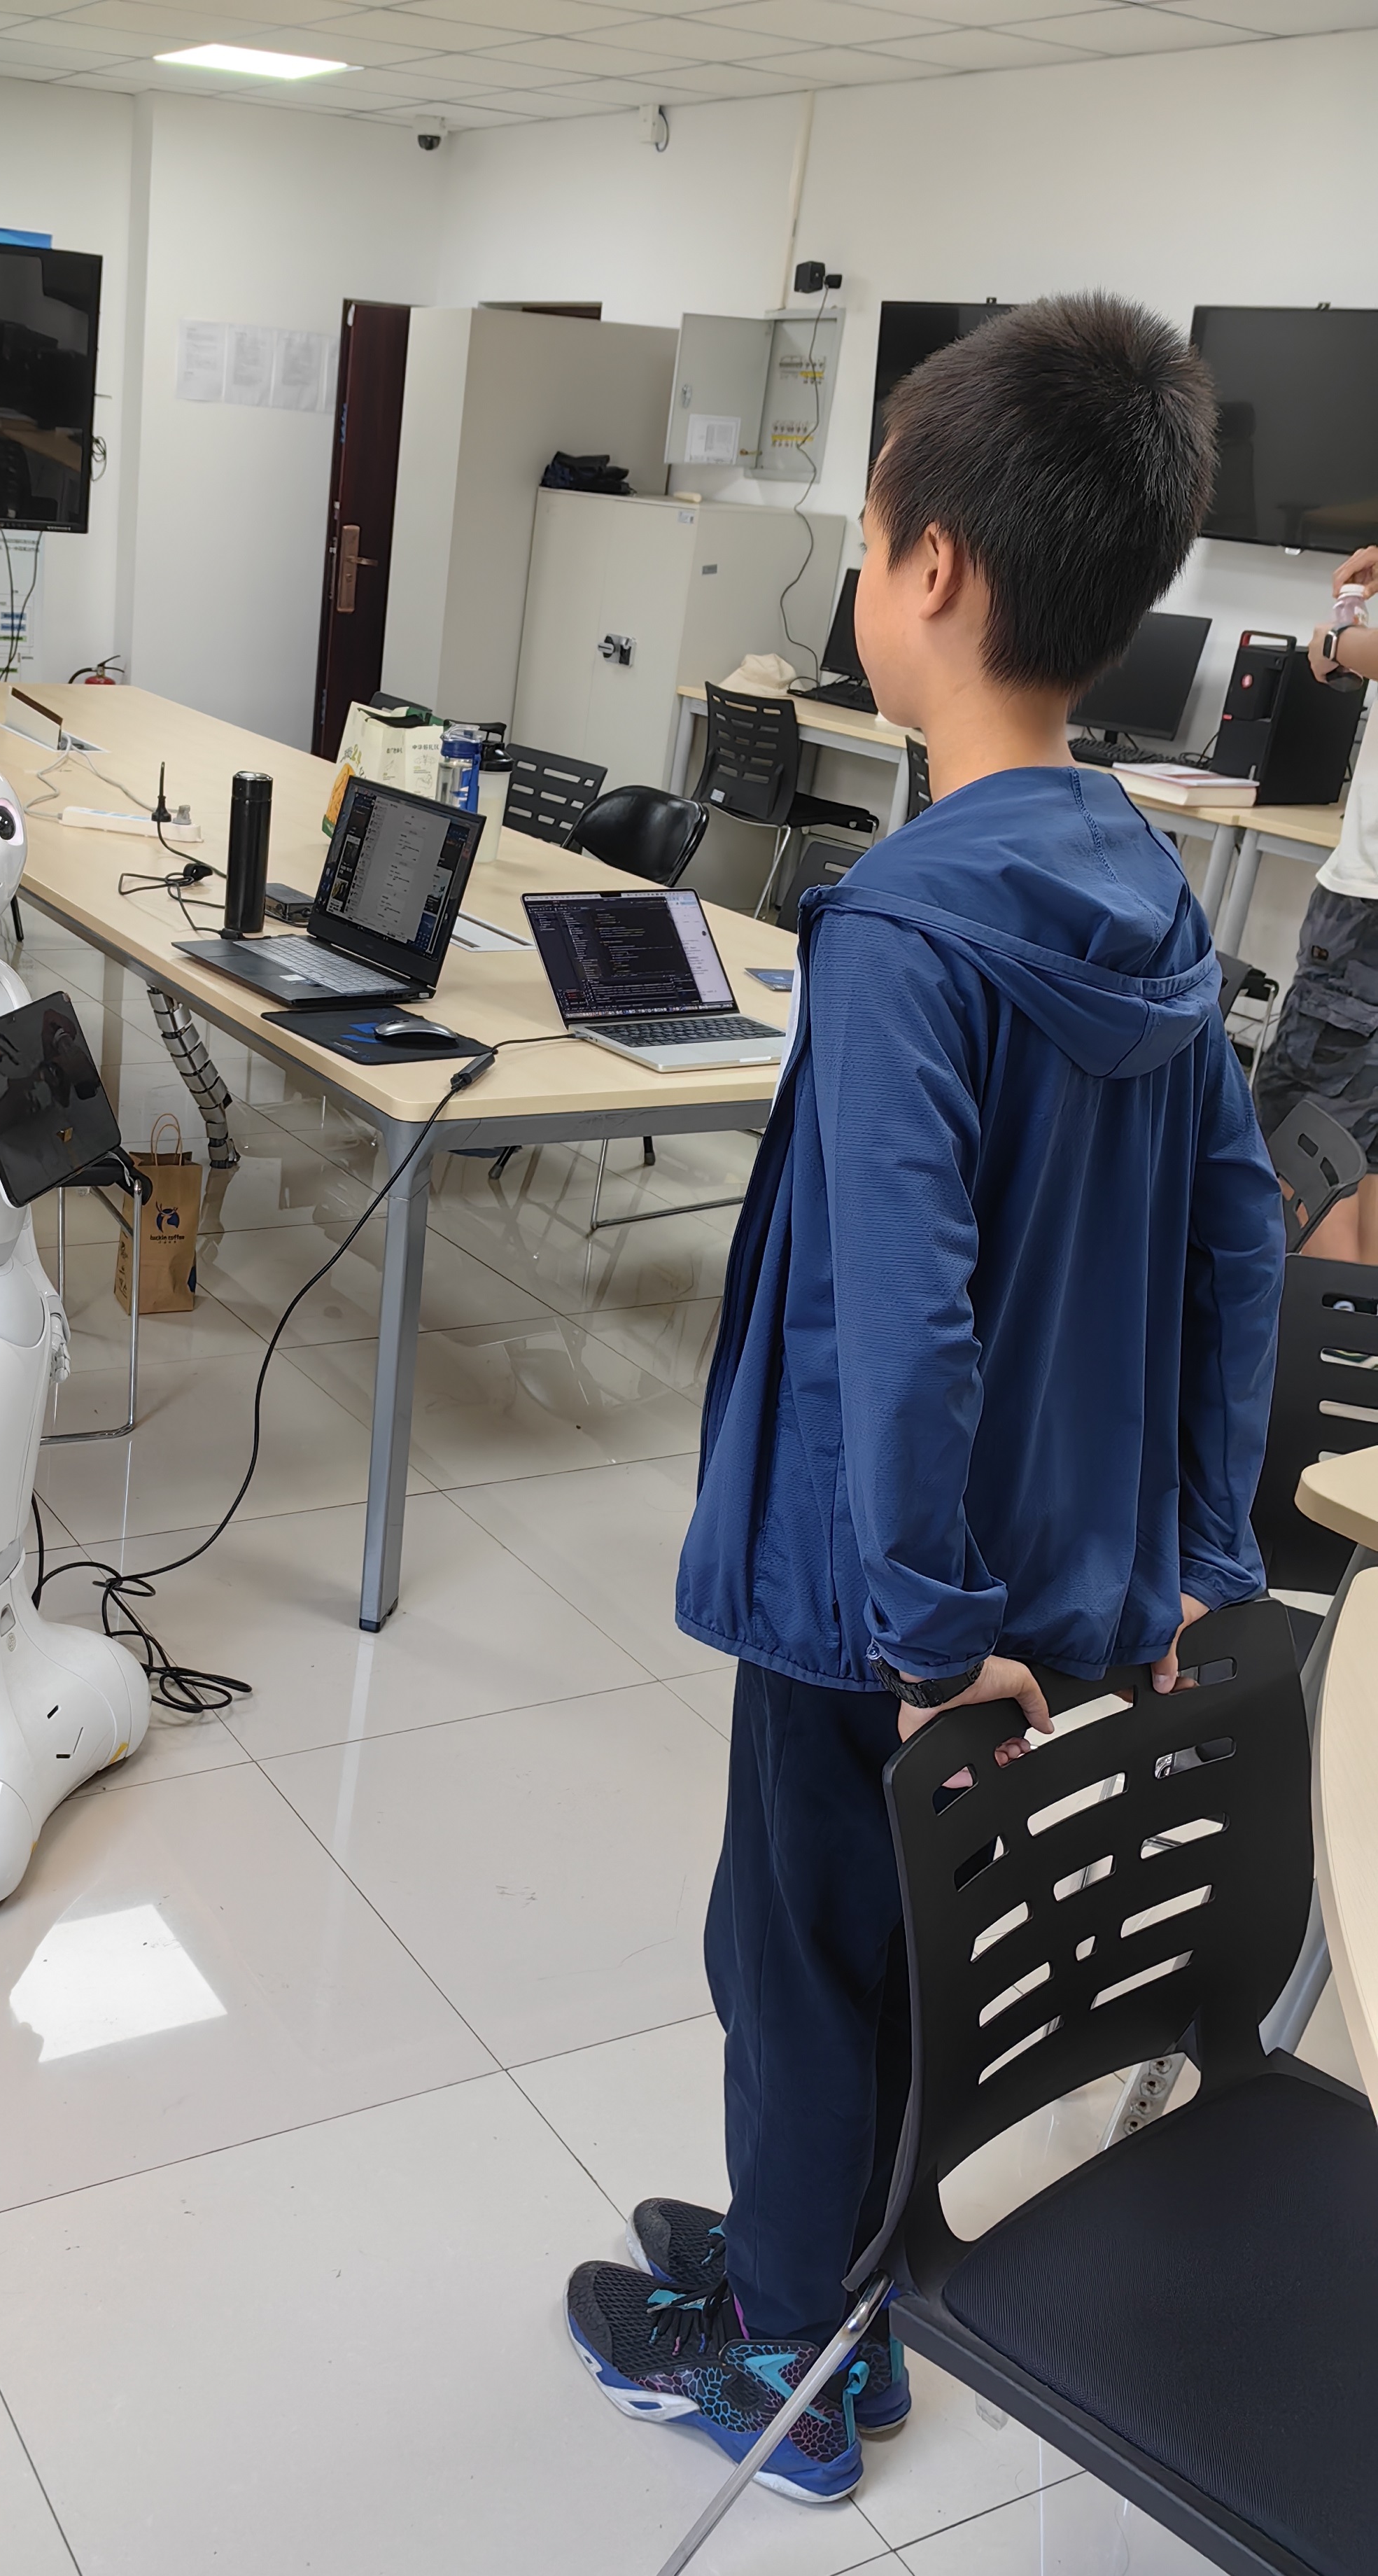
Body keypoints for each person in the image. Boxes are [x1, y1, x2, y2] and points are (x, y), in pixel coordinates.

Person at [562, 296, 1284, 2504]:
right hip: (1063, 1573)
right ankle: (830, 2267)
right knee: (893, 1962)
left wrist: (921, 1626)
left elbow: (900, 1323)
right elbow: (1238, 1242)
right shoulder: (1144, 883)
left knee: (793, 1961)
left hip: (877, 1603)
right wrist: (1196, 1551)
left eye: (867, 541)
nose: (864, 577)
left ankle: (789, 2357)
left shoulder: (901, 926)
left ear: (933, 567)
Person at [1250, 550, 1378, 1260]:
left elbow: (1332, 660)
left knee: (1307, 1152)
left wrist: (1335, 640)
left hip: (1368, 910)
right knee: (1362, 1156)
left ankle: (1315, 1330)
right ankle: (1347, 1326)